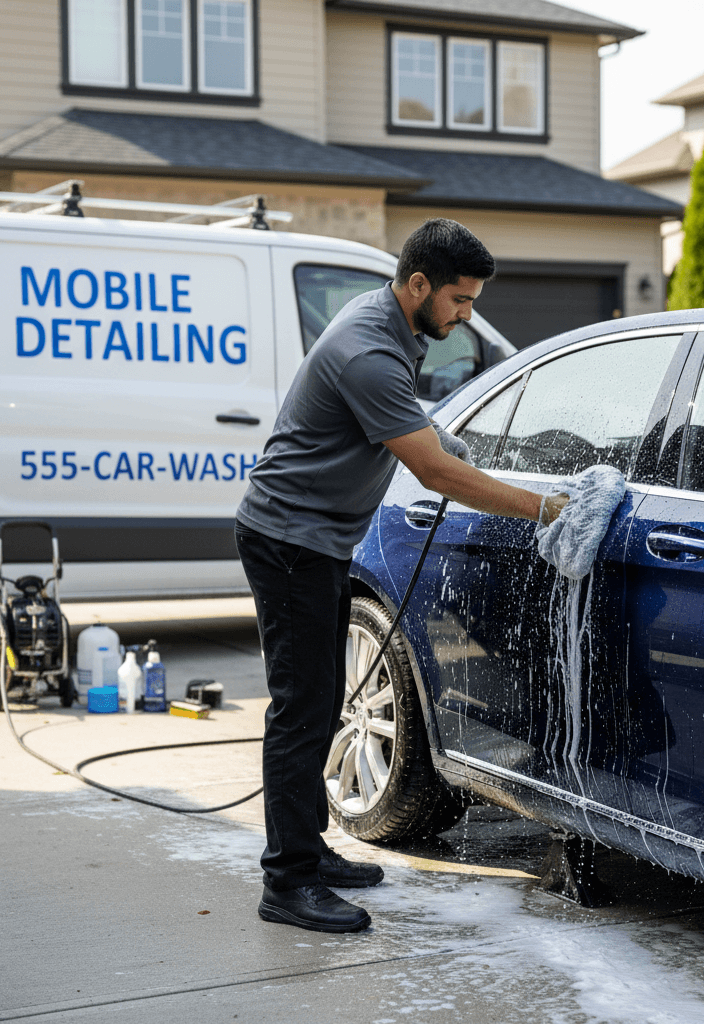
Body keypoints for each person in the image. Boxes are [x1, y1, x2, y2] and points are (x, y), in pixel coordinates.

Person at [235, 218, 568, 934]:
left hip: (313, 540)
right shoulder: (367, 350)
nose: (466, 315)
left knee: (321, 708)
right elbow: (434, 473)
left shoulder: (387, 326)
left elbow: (410, 429)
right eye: (459, 300)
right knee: (301, 712)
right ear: (418, 285)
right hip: (290, 542)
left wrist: (449, 435)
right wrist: (543, 508)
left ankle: (306, 851)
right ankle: (286, 882)